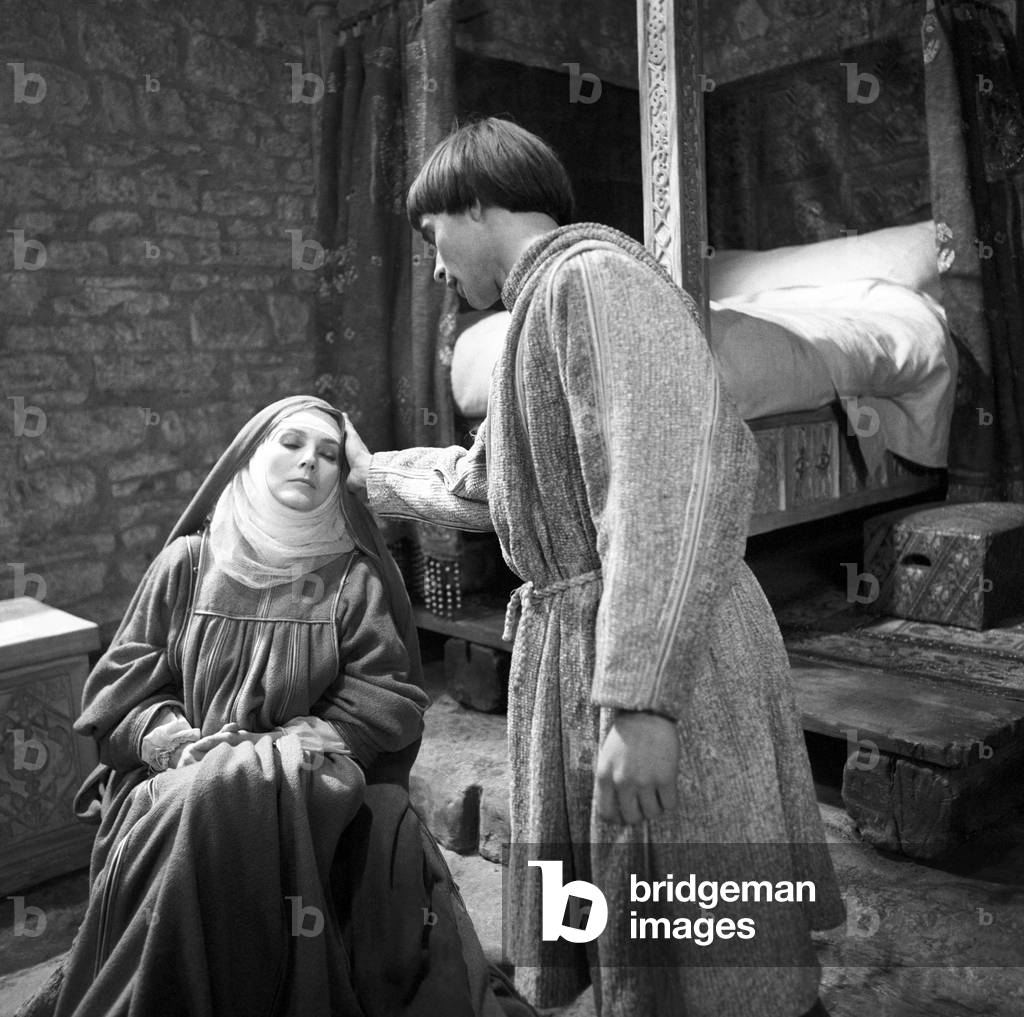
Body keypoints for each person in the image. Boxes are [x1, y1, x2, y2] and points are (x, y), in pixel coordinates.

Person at [342, 118, 846, 1017]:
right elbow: (484, 486)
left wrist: (642, 700)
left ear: (474, 200)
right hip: (589, 646)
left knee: (705, 924)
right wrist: (365, 470)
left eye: (433, 238)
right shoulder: (537, 313)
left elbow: (663, 487)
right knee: (644, 934)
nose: (435, 266)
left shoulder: (596, 282)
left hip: (659, 649)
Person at [49, 396, 530, 1017]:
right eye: (292, 444)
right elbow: (119, 687)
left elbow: (393, 696)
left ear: (341, 477)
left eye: (328, 455)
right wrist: (168, 737)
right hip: (176, 767)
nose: (309, 463)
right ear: (251, 456)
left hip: (309, 776)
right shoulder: (188, 563)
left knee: (221, 789)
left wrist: (305, 738)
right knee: (199, 790)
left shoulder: (354, 579)